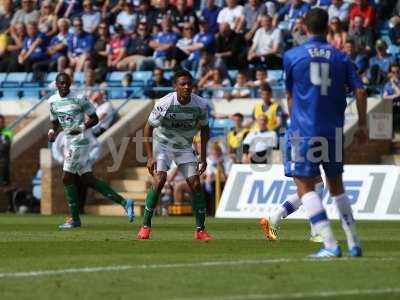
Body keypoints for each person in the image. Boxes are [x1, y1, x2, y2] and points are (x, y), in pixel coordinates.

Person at [262, 8, 367, 258]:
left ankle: (330, 244)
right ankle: (354, 242)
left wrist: (295, 121)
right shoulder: (341, 57)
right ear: (328, 28)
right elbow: (361, 92)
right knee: (336, 187)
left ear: (305, 28)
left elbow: (288, 95)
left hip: (304, 131)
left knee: (306, 186)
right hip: (333, 130)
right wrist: (362, 124)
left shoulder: (293, 55)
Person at [47, 72, 134, 229]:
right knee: (88, 180)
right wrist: (52, 132)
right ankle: (124, 202)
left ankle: (74, 219)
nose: (65, 85)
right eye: (62, 83)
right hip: (68, 141)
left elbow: (94, 118)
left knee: (67, 177)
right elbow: (55, 122)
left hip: (81, 141)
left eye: (67, 82)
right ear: (57, 84)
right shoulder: (52, 101)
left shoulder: (79, 98)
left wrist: (80, 127)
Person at [137, 70, 212, 241]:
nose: (187, 87)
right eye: (183, 84)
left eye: (189, 84)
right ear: (175, 87)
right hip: (163, 145)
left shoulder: (200, 104)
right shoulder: (164, 103)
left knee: (195, 183)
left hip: (185, 146)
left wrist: (203, 157)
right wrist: (150, 156)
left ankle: (200, 230)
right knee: (160, 179)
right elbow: (148, 128)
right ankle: (145, 226)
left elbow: (205, 128)